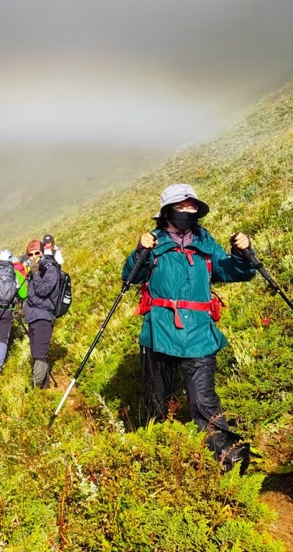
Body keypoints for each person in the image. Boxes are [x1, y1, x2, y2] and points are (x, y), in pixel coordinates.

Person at [122, 183, 255, 473]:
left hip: (198, 334)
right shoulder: (153, 243)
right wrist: (139, 251)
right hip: (158, 332)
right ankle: (156, 460)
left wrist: (242, 254)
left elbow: (232, 271)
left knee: (205, 402)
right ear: (166, 212)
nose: (187, 210)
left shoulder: (206, 243)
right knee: (156, 400)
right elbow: (130, 276)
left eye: (191, 205)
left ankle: (228, 464)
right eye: (180, 206)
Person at [24, 239, 61, 388]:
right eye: (30, 254)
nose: (34, 256)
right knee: (36, 353)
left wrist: (35, 272)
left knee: (40, 355)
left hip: (43, 317)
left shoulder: (50, 269)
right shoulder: (36, 269)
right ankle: (44, 388)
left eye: (37, 253)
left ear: (42, 253)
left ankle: (35, 390)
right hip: (33, 316)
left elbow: (43, 290)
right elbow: (31, 295)